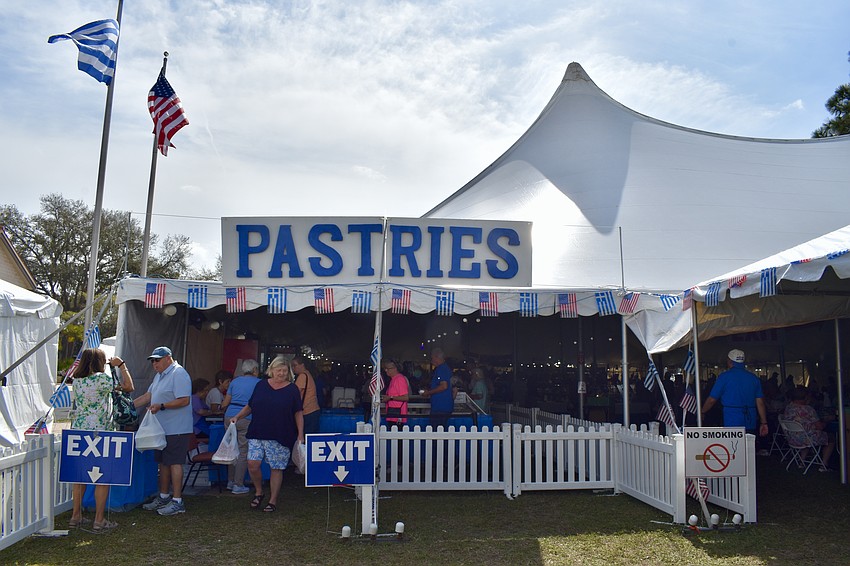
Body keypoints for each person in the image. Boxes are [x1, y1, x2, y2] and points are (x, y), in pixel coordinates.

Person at [68, 349, 134, 532]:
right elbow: (129, 387)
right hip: (101, 432)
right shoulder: (102, 380)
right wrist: (121, 365)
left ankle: (76, 516)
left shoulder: (78, 381)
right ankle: (99, 519)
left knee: (79, 477)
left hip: (80, 430)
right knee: (102, 477)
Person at [230, 355, 304, 513]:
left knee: (276, 468)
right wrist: (238, 416)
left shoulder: (292, 389)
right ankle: (259, 491)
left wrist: (300, 434)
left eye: (284, 371)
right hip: (258, 431)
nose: (281, 373)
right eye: (279, 370)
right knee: (252, 463)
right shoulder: (261, 385)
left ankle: (273, 500)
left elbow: (298, 412)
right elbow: (250, 405)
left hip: (280, 433)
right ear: (272, 370)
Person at [134, 346, 193, 516]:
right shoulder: (160, 375)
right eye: (152, 361)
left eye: (157, 360)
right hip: (162, 429)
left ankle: (177, 501)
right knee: (163, 463)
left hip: (177, 428)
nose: (154, 364)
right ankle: (164, 496)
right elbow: (148, 396)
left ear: (168, 358)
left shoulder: (178, 373)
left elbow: (184, 400)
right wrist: (128, 406)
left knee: (174, 462)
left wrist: (162, 406)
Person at [700, 349, 768, 437]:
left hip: (731, 421)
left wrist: (702, 411)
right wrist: (764, 422)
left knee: (733, 448)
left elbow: (712, 400)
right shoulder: (754, 378)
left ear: (730, 361)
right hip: (750, 420)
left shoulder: (724, 377)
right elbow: (760, 403)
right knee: (749, 448)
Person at [221, 359, 262, 495]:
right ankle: (238, 484)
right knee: (243, 451)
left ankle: (230, 481)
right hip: (246, 417)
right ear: (255, 370)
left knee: (231, 448)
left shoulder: (234, 382)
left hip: (229, 416)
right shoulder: (259, 383)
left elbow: (225, 403)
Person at [783, 388, 836, 471]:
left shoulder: (788, 407)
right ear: (806, 397)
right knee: (831, 438)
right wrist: (827, 421)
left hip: (792, 439)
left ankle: (802, 461)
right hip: (806, 439)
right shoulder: (808, 409)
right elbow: (820, 427)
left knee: (805, 434)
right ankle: (824, 464)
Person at [421, 348, 453, 429]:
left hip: (440, 407)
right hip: (445, 406)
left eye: (432, 358)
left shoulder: (441, 369)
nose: (431, 360)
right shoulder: (446, 368)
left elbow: (443, 386)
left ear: (436, 357)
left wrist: (428, 393)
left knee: (437, 431)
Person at [292, 355, 320, 435]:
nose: (293, 368)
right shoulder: (308, 374)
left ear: (302, 365)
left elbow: (295, 393)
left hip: (307, 411)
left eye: (295, 365)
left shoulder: (302, 376)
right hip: (313, 410)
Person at [381, 359, 410, 426]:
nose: (386, 370)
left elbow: (405, 397)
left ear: (395, 369)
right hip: (392, 414)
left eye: (388, 368)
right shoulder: (393, 380)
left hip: (397, 415)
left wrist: (390, 397)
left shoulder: (399, 379)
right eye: (385, 368)